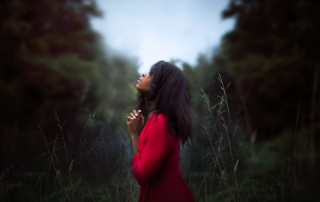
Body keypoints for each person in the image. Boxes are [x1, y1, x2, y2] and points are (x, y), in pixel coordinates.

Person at [126, 60, 194, 202]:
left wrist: (134, 135)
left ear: (162, 86)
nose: (144, 74)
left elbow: (142, 177)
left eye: (151, 74)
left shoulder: (160, 124)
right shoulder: (157, 120)